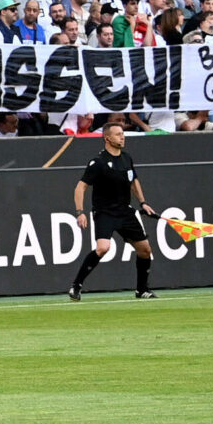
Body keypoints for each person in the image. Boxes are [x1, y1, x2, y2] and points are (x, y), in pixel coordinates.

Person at [67, 122, 161, 301]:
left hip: (125, 212)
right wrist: (80, 212)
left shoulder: (127, 158)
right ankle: (76, 286)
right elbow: (80, 187)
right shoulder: (98, 162)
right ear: (107, 138)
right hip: (105, 213)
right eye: (118, 134)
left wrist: (143, 202)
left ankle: (142, 290)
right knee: (103, 248)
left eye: (123, 134)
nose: (122, 137)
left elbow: (134, 181)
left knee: (145, 250)